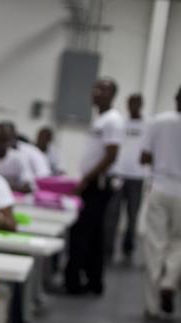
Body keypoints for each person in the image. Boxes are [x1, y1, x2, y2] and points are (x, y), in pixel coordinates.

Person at [65, 77, 124, 295]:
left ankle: (75, 282)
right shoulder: (101, 119)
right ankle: (92, 281)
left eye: (103, 90)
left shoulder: (113, 121)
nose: (97, 92)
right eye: (96, 88)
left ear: (113, 95)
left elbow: (111, 155)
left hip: (97, 185)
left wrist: (86, 179)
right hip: (93, 183)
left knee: (83, 233)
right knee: (93, 234)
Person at [140, 86, 181, 318]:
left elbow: (144, 156)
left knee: (155, 244)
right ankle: (169, 281)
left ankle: (152, 304)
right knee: (179, 243)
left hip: (161, 186)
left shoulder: (159, 121)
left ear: (176, 98)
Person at [108, 92, 147, 263]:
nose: (133, 106)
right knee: (113, 213)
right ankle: (107, 248)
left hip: (137, 177)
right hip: (120, 174)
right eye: (130, 103)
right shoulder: (121, 124)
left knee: (133, 213)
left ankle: (128, 247)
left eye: (136, 103)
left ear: (141, 104)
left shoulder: (148, 125)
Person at [0, 121, 36, 192]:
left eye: (4, 140)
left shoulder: (17, 158)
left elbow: (28, 186)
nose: (0, 144)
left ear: (11, 140)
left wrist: (0, 186)